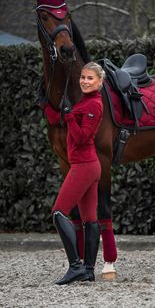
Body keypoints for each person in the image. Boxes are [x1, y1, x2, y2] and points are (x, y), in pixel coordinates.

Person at [42, 62, 105, 285]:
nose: (85, 81)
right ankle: (88, 270)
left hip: (84, 166)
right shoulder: (86, 101)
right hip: (88, 165)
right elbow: (67, 119)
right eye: (83, 77)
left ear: (100, 82)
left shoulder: (94, 105)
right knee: (89, 219)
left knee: (59, 212)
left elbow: (81, 138)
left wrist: (69, 116)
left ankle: (76, 266)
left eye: (90, 78)